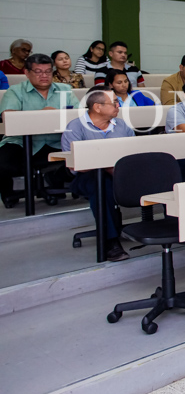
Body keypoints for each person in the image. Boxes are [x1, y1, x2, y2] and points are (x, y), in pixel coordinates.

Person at [62, 86, 135, 261]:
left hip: (121, 173)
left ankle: (170, 227)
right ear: (97, 107)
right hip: (87, 176)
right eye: (115, 103)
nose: (119, 106)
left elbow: (134, 153)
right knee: (101, 183)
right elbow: (75, 166)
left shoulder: (122, 125)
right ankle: (110, 242)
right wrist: (105, 166)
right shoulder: (75, 127)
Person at [0, 54, 78, 207]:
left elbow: (77, 115)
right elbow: (8, 116)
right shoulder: (15, 91)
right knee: (3, 162)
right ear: (27, 73)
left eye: (48, 71)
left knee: (85, 152)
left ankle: (56, 178)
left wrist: (54, 114)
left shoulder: (65, 90)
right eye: (38, 72)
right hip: (22, 142)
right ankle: (9, 193)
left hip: (56, 140)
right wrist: (42, 115)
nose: (44, 76)